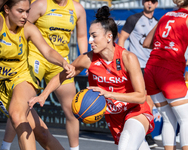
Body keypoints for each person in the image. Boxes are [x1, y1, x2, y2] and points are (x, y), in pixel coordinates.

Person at [28, 6, 155, 150]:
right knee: (137, 146)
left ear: (109, 37)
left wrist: (108, 94)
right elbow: (61, 76)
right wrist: (44, 95)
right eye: (89, 35)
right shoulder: (87, 59)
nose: (89, 40)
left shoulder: (128, 58)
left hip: (136, 111)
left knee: (125, 146)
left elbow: (140, 97)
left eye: (94, 36)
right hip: (114, 117)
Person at [1, 0, 87, 150]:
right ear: (6, 9)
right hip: (12, 77)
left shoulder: (28, 28)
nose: (25, 16)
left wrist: (63, 63)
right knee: (42, 133)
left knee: (17, 115)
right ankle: (5, 145)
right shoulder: (1, 22)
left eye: (27, 11)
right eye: (20, 11)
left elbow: (47, 51)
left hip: (20, 77)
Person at [143, 0, 188, 149]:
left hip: (151, 69)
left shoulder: (164, 16)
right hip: (169, 71)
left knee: (169, 119)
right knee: (186, 119)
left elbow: (147, 43)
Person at [118, 0, 158, 148]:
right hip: (137, 66)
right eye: (147, 0)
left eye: (153, 1)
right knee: (140, 99)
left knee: (150, 101)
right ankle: (145, 135)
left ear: (156, 4)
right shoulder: (134, 19)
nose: (150, 3)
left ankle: (143, 131)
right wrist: (120, 61)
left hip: (151, 66)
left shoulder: (157, 22)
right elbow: (122, 38)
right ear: (143, 2)